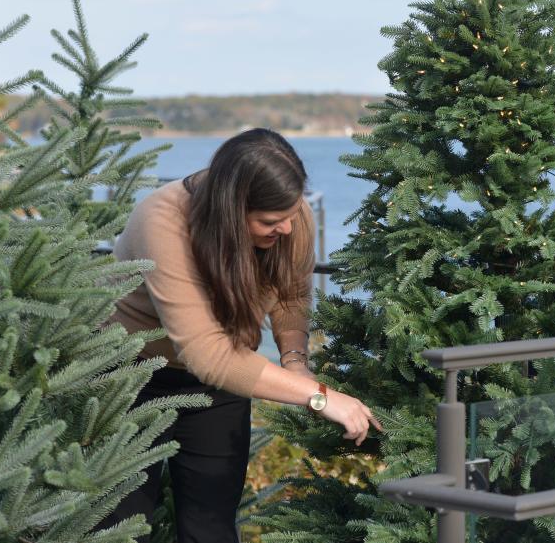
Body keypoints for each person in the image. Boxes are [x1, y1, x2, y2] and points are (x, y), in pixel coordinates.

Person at [99, 128, 381, 543]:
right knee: (123, 530)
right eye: (269, 221)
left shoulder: (289, 213)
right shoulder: (162, 220)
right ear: (230, 212)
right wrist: (320, 396)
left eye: (291, 213)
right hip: (130, 377)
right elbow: (205, 353)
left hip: (221, 385)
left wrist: (296, 364)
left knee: (211, 528)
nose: (287, 227)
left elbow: (290, 295)